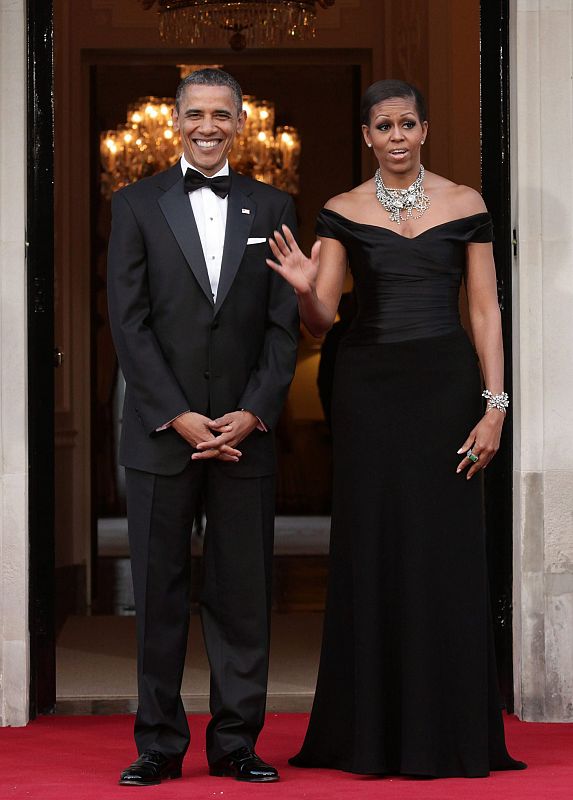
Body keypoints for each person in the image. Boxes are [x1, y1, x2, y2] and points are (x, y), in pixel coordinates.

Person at [267, 79, 526, 778]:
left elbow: (484, 310)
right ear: (367, 136)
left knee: (444, 549)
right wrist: (304, 289)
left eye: (407, 124)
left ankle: (449, 731)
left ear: (425, 129)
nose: (397, 137)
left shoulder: (466, 203)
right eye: (383, 127)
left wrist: (494, 406)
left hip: (446, 389)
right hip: (368, 391)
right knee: (373, 544)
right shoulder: (341, 209)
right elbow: (321, 321)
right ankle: (371, 734)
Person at [107, 68, 299, 786]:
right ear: (176, 120)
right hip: (162, 435)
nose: (208, 126)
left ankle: (235, 743)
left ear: (240, 123)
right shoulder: (135, 204)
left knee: (242, 597)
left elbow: (282, 326)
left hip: (245, 436)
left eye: (221, 114)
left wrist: (254, 411)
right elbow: (128, 322)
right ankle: (158, 745)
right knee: (158, 598)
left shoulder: (273, 204)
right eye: (196, 114)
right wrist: (177, 414)